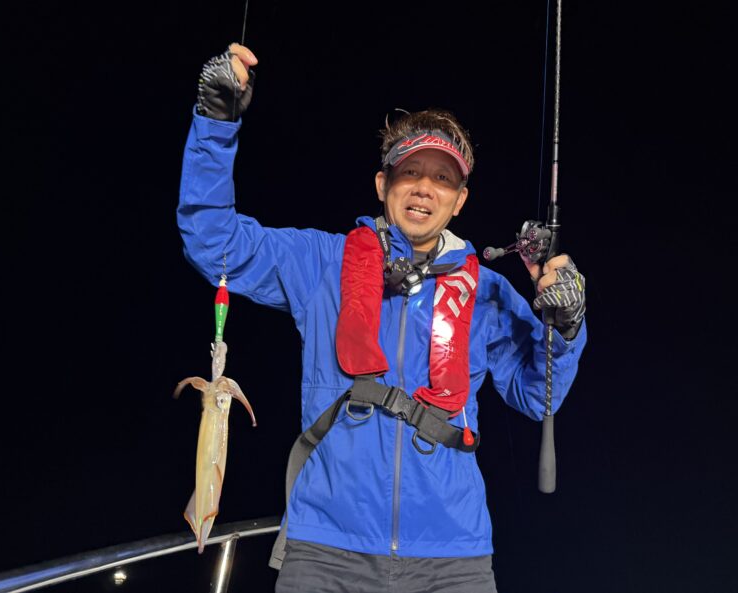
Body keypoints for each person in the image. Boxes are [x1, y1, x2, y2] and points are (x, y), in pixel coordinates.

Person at [178, 43, 587, 593]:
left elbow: (540, 395)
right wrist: (216, 122)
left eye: (443, 179)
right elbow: (214, 242)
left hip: (453, 560)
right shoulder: (323, 264)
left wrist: (565, 325)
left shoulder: (488, 291)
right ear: (382, 185)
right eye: (410, 171)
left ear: (460, 200)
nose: (424, 188)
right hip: (326, 553)